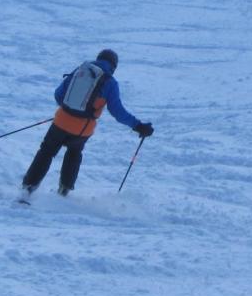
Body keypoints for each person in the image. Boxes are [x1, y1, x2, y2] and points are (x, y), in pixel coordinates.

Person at [21, 49, 153, 198]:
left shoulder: (81, 70)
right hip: (83, 129)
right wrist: (138, 126)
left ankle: (28, 188)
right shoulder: (110, 83)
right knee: (74, 153)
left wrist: (70, 109)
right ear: (114, 67)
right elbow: (118, 112)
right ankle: (64, 191)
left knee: (46, 152)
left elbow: (58, 95)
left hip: (61, 121)